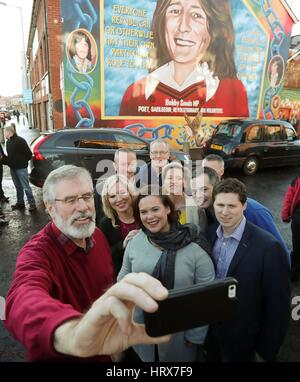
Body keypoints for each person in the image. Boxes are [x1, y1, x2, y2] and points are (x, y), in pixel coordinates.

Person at [4, 165, 170, 361]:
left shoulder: (97, 235)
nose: (83, 207)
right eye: (70, 200)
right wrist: (70, 333)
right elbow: (22, 298)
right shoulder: (38, 252)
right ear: (50, 208)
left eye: (86, 196)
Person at [118, 187, 215, 362]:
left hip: (180, 337)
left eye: (155, 209)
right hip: (142, 332)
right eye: (144, 212)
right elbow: (122, 281)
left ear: (168, 209)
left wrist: (195, 337)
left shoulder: (195, 247)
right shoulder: (136, 241)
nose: (150, 216)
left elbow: (206, 299)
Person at [205, 178, 290, 362]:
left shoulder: (269, 247)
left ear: (244, 206)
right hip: (213, 337)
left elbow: (278, 307)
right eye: (220, 205)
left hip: (247, 343)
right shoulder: (209, 234)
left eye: (232, 206)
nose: (224, 212)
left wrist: (267, 351)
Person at [119, 0, 249, 118]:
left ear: (214, 27)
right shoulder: (135, 94)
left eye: (196, 15)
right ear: (162, 20)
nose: (183, 27)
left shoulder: (233, 90)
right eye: (175, 11)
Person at [192, 165, 291, 265]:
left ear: (217, 187)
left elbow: (279, 250)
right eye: (194, 191)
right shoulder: (205, 211)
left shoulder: (254, 211)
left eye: (204, 189)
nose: (198, 195)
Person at [99, 174, 140, 275]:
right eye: (112, 196)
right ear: (107, 200)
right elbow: (104, 256)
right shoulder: (106, 224)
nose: (119, 199)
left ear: (131, 193)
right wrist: (123, 244)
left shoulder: (144, 213)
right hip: (124, 276)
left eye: (122, 192)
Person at [95, 148, 138, 225]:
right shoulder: (101, 189)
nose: (128, 169)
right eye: (123, 164)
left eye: (131, 164)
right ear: (115, 166)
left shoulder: (145, 187)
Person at [4, 124, 36, 211]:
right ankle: (20, 203)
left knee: (26, 187)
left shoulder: (20, 141)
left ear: (9, 132)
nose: (4, 134)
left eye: (5, 132)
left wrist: (22, 162)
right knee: (18, 186)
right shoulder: (8, 142)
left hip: (21, 168)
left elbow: (29, 154)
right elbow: (10, 156)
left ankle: (32, 204)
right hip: (13, 169)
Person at [162, 161, 204, 227]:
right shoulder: (157, 205)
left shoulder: (196, 207)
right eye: (170, 178)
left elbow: (201, 234)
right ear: (164, 182)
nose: (173, 182)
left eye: (178, 178)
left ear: (185, 182)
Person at [282, 168, 300, 282]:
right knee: (297, 248)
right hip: (298, 218)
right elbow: (289, 197)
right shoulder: (297, 180)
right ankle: (293, 274)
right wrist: (285, 214)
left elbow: (289, 198)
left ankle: (293, 273)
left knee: (297, 248)